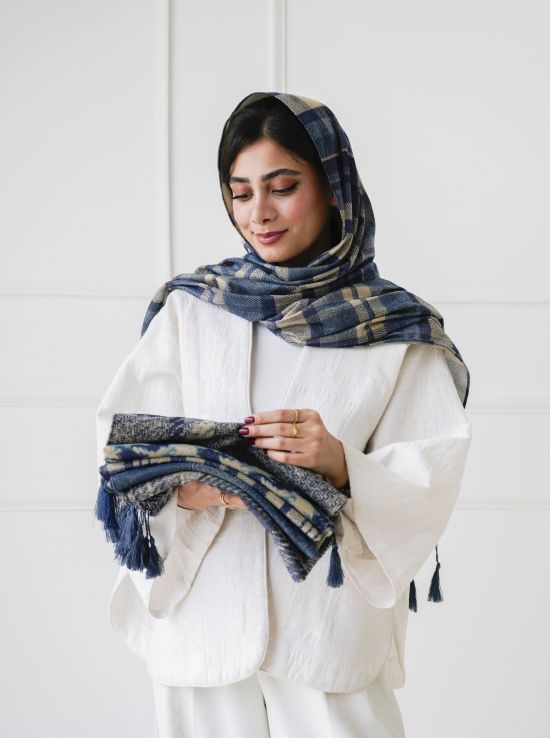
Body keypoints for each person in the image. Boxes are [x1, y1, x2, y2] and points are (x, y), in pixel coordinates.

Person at [95, 91, 472, 738]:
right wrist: (189, 487)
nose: (258, 213)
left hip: (325, 634)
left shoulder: (395, 329)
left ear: (332, 186)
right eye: (240, 193)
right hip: (202, 629)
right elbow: (122, 448)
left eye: (283, 187)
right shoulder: (194, 308)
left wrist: (341, 464)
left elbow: (430, 472)